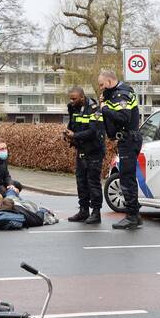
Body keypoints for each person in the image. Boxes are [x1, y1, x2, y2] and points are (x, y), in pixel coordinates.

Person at [98, 69, 142, 230]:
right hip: (128, 139)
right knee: (127, 177)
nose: (101, 88)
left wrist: (104, 108)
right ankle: (135, 215)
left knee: (126, 178)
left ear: (109, 82)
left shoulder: (121, 94)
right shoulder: (117, 93)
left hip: (129, 139)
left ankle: (131, 216)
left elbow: (123, 116)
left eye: (102, 85)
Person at [64, 86, 105, 224]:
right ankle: (83, 210)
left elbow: (93, 131)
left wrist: (75, 135)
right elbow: (73, 124)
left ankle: (96, 213)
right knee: (81, 181)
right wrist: (68, 134)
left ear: (82, 97)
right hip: (81, 149)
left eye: (74, 98)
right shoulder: (73, 107)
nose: (72, 101)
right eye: (70, 98)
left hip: (94, 151)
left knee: (93, 182)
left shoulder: (94, 109)